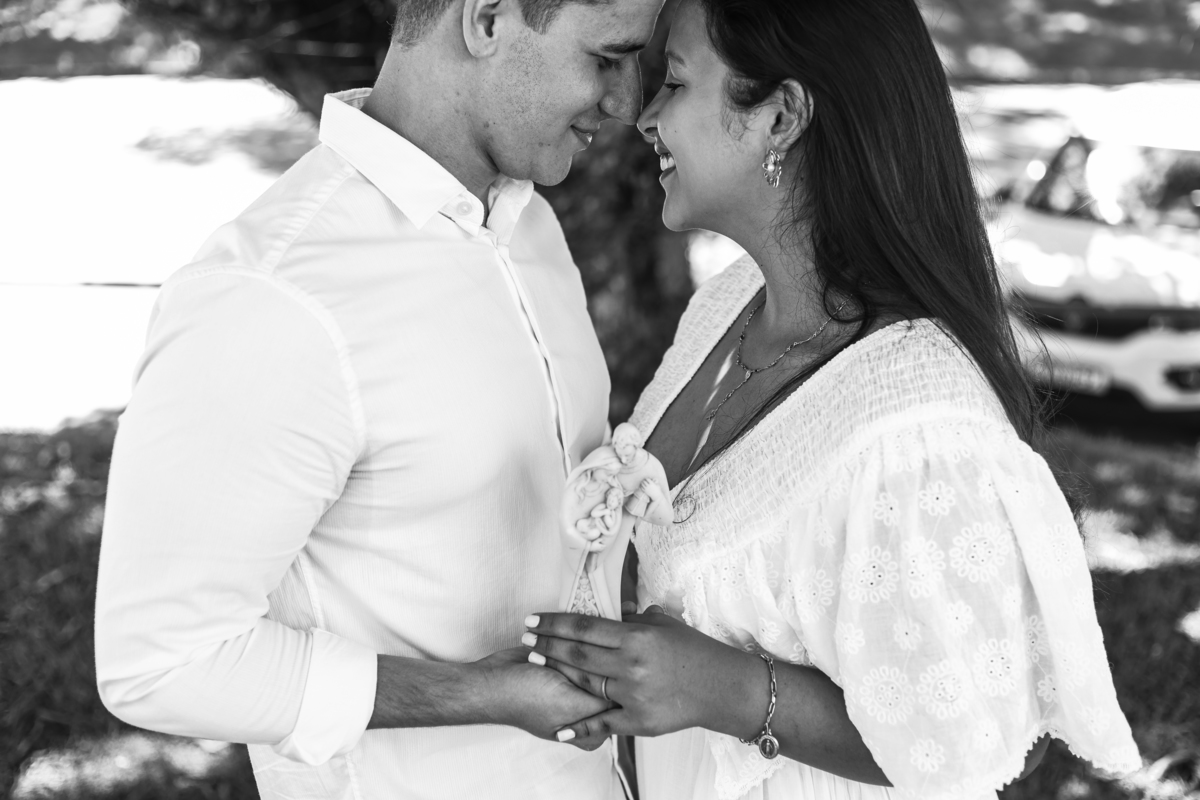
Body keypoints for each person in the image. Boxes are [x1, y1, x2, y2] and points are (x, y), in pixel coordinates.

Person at [521, 1, 1142, 798]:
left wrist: (731, 692)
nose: (643, 117)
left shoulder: (919, 430)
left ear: (781, 117)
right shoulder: (725, 307)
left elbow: (964, 743)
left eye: (673, 82)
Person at [94, 0, 662, 798]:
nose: (627, 101)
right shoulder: (275, 295)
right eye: (606, 58)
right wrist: (484, 694)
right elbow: (158, 660)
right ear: (487, 20)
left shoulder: (528, 226)